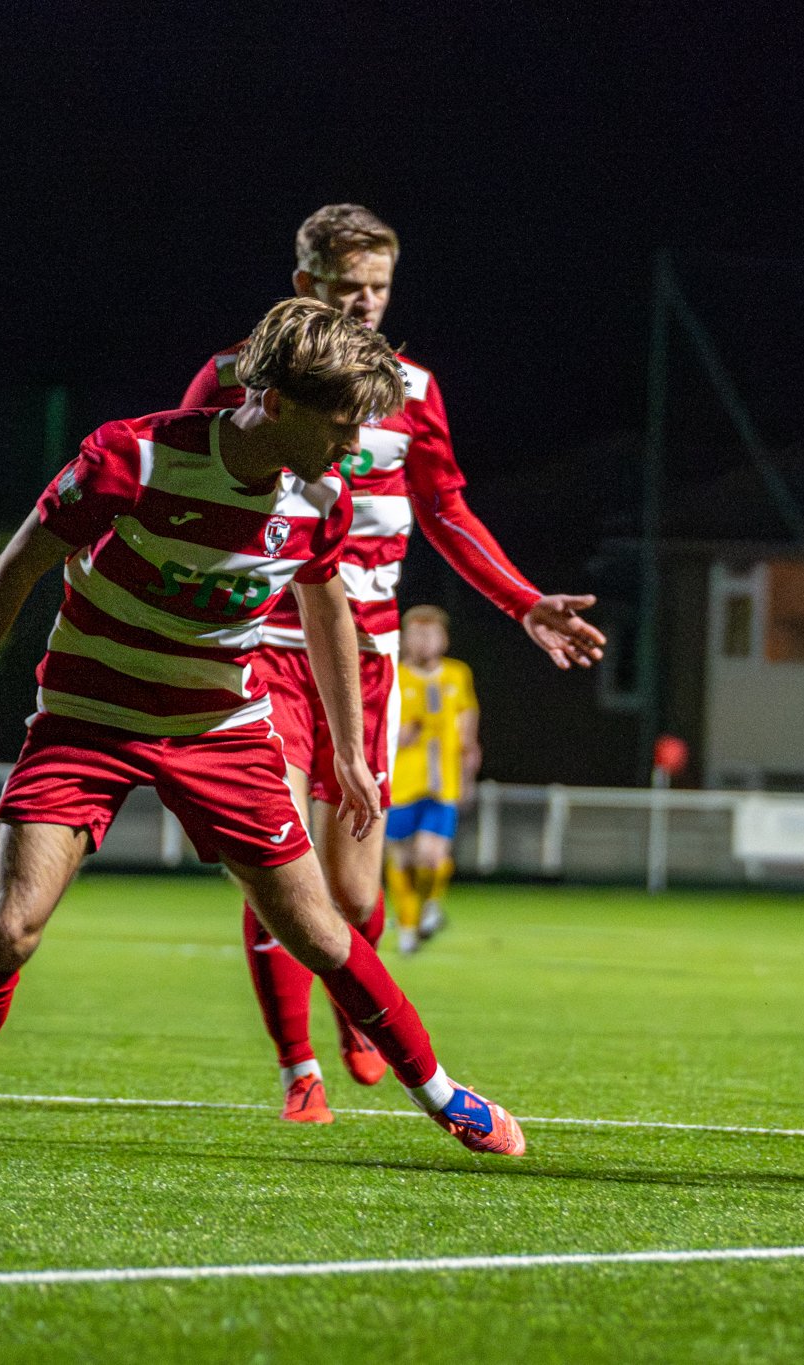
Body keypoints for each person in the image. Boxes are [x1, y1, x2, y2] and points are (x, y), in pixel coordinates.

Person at [0, 298, 524, 1156]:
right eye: (340, 425)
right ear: (277, 401)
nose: (355, 446)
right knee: (13, 925)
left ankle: (443, 1094)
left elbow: (329, 613)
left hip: (219, 727)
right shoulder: (133, 457)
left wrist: (347, 747)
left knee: (319, 929)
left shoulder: (321, 500)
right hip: (88, 718)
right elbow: (17, 566)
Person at [183, 204, 604, 1122]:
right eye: (349, 287)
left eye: (379, 287)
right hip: (256, 651)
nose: (367, 303)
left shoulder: (413, 389)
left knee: (355, 889)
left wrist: (523, 600)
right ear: (306, 286)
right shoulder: (233, 376)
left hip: (363, 660)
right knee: (277, 860)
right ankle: (298, 1067)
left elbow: (446, 511)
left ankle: (357, 1012)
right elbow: (176, 479)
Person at [386, 605, 478, 954]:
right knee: (403, 861)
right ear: (406, 639)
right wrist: (398, 737)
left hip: (443, 784)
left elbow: (468, 724)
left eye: (431, 634)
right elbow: (377, 727)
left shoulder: (457, 674)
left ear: (444, 639)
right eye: (417, 634)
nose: (424, 641)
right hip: (401, 783)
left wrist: (468, 770)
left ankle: (428, 908)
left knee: (431, 857)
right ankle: (408, 926)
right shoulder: (394, 676)